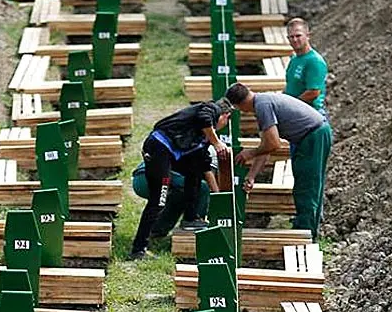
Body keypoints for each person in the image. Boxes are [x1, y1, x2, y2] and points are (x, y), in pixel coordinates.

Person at [224, 82, 332, 240]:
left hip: (312, 137)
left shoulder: (262, 107)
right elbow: (266, 146)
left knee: (307, 186)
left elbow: (274, 143)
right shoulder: (262, 101)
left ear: (240, 105)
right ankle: (307, 224)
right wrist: (252, 175)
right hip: (311, 135)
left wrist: (250, 153)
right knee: (306, 183)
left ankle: (307, 233)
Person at [129, 100, 232, 259]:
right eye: (226, 122)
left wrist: (219, 197)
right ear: (225, 116)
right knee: (158, 201)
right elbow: (205, 117)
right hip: (159, 148)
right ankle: (138, 249)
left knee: (195, 171)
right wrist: (217, 142)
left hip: (171, 153)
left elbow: (204, 166)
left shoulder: (201, 137)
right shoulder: (211, 108)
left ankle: (190, 218)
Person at [131, 146, 221, 240]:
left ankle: (156, 231)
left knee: (180, 196)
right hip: (149, 180)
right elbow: (208, 175)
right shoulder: (204, 152)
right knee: (202, 188)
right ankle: (194, 222)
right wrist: (219, 198)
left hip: (141, 179)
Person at [284, 18, 329, 119]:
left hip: (310, 114)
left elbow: (313, 92)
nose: (295, 40)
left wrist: (289, 105)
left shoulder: (314, 61)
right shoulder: (294, 59)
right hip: (296, 112)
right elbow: (291, 85)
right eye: (291, 37)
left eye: (298, 35)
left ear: (308, 36)